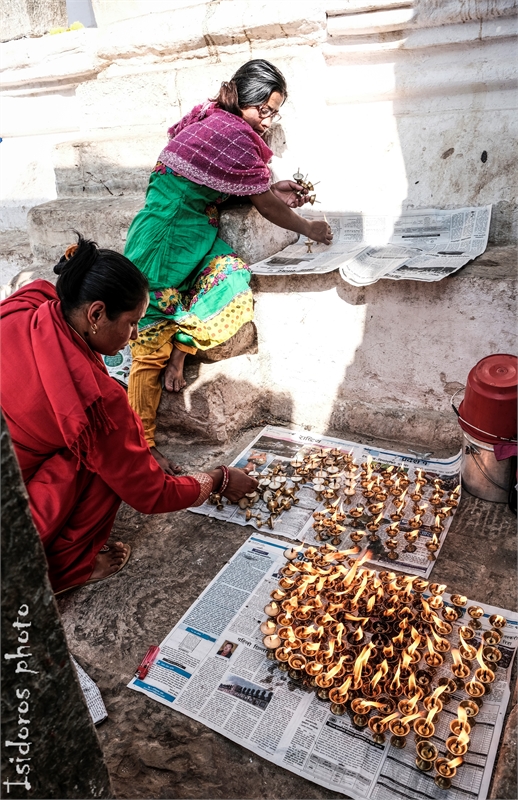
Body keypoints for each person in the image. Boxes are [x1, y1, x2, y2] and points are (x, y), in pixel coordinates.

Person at [0, 236, 257, 595]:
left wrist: (140, 448)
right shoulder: (96, 403)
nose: (135, 335)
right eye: (132, 323)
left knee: (103, 446)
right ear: (96, 314)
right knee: (99, 460)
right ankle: (67, 569)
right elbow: (150, 493)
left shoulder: (30, 301)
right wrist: (218, 479)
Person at [124, 58, 333, 474]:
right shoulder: (231, 132)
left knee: (232, 280)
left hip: (195, 232)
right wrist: (308, 227)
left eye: (274, 113)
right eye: (264, 110)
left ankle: (182, 349)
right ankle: (142, 446)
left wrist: (270, 187)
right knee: (148, 342)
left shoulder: (219, 121)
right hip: (163, 238)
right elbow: (266, 206)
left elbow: (227, 183)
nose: (268, 121)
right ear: (242, 99)